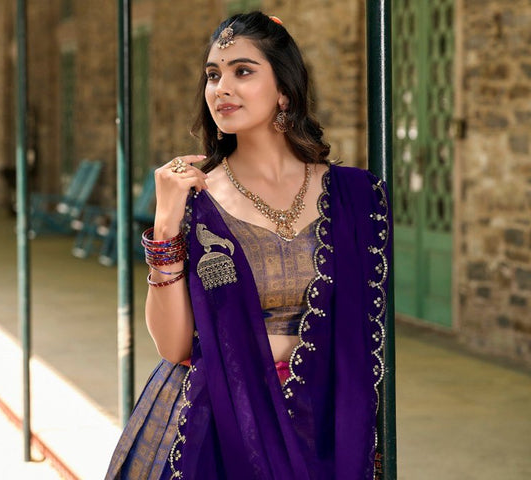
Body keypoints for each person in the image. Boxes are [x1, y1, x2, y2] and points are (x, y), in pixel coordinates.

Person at [106, 11, 391, 480]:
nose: (222, 87)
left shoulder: (355, 198)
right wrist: (164, 227)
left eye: (243, 71)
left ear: (284, 89)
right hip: (217, 416)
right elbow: (174, 344)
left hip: (325, 424)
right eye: (213, 75)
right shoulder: (196, 200)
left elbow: (366, 337)